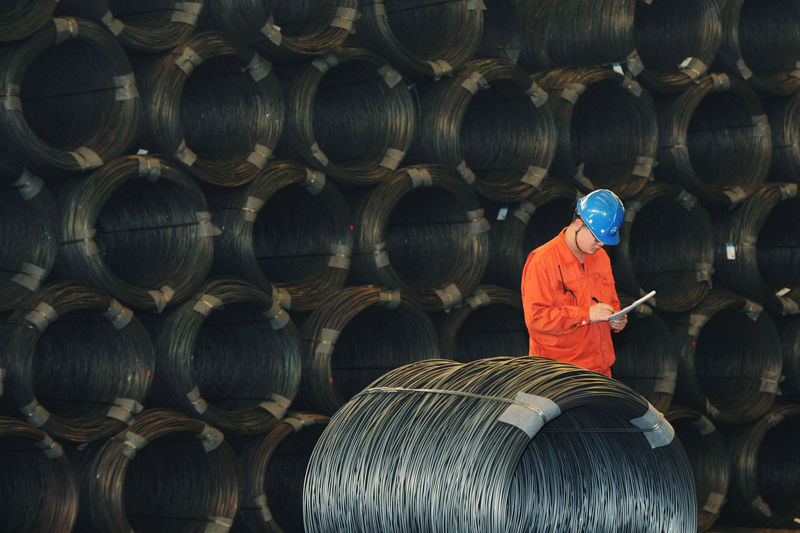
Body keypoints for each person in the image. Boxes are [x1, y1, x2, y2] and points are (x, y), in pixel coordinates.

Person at [520, 189, 627, 377]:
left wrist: (617, 319)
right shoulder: (542, 261)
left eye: (604, 241)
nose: (600, 245)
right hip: (559, 376)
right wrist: (586, 314)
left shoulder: (601, 258)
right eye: (596, 238)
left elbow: (611, 303)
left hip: (600, 372)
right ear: (578, 224)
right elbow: (536, 319)